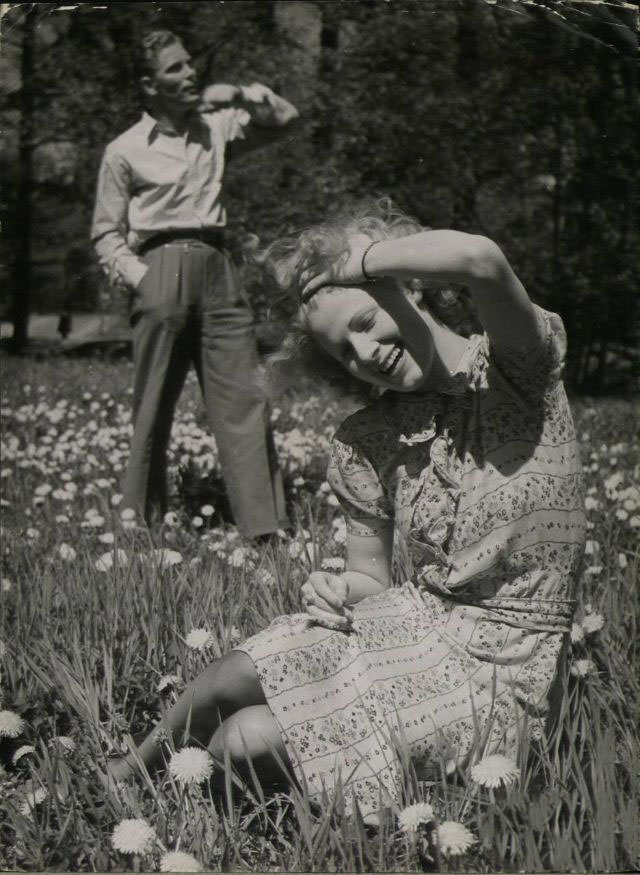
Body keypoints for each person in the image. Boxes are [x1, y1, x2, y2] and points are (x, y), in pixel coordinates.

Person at [107, 201, 586, 820]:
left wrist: (359, 262)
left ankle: (277, 805)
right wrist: (334, 585)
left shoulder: (518, 371)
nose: (365, 350)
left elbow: (480, 259)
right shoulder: (368, 439)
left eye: (366, 319)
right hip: (419, 623)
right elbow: (371, 578)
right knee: (237, 671)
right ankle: (122, 774)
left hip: (509, 669)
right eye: (344, 351)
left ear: (411, 287)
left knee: (243, 737)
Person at [91, 30, 297, 535]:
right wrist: (144, 280)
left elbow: (287, 119)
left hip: (217, 267)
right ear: (148, 84)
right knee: (154, 401)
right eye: (175, 69)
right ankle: (140, 523)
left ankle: (264, 528)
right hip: (160, 266)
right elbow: (105, 234)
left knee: (244, 397)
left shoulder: (216, 128)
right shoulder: (125, 150)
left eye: (190, 65)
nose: (190, 74)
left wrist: (245, 93)